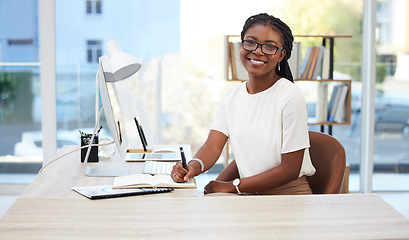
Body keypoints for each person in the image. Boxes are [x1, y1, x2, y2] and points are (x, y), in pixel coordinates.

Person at [171, 13, 316, 195]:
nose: (257, 51)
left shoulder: (290, 95)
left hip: (287, 197)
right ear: (241, 45)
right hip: (248, 196)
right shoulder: (232, 96)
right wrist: (192, 167)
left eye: (269, 47)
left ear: (281, 55)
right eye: (250, 42)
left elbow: (290, 169)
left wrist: (233, 186)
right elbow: (212, 146)